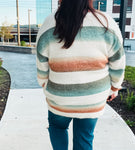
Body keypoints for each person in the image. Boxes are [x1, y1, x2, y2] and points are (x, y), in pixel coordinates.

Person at [36, 0, 125, 149]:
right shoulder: (105, 22)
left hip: (59, 97)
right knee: (84, 137)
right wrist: (115, 87)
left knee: (57, 128)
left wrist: (44, 84)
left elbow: (41, 64)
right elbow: (118, 63)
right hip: (92, 99)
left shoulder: (49, 23)